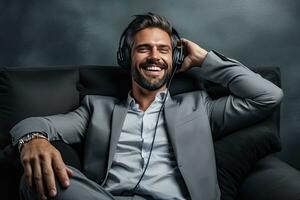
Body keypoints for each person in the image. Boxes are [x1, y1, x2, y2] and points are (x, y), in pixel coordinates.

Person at [10, 12, 283, 200]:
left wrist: (205, 59)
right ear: (126, 57)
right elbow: (34, 124)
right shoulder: (96, 109)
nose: (155, 57)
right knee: (37, 180)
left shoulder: (201, 108)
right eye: (144, 49)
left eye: (163, 50)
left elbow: (267, 96)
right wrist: (33, 140)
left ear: (175, 59)